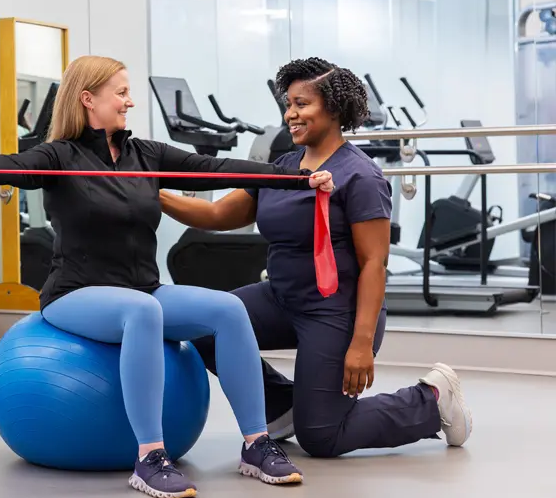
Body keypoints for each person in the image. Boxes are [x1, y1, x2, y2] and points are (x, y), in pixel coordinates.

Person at [0, 55, 335, 496]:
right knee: (142, 310)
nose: (130, 101)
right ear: (88, 99)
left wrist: (295, 178)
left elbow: (216, 170)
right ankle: (149, 457)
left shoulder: (145, 154)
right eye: (121, 92)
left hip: (142, 288)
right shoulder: (59, 156)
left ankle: (256, 443)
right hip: (76, 294)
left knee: (228, 308)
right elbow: (15, 164)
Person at [159, 57, 472, 459]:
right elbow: (219, 215)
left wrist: (360, 343)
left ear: (334, 109)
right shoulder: (284, 167)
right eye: (288, 104)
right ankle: (284, 404)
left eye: (302, 104)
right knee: (201, 324)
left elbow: (375, 265)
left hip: (336, 311)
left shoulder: (361, 176)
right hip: (281, 298)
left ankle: (431, 400)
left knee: (322, 437)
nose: (291, 114)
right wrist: (155, 195)